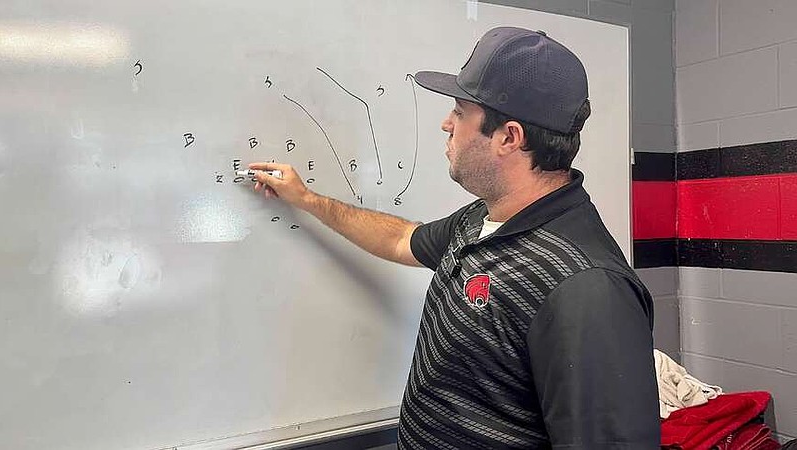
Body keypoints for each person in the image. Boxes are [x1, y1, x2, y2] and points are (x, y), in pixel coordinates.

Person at [249, 27, 659, 449]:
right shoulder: (481, 221)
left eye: (461, 111)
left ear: (509, 137)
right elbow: (400, 239)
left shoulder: (586, 288)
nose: (446, 123)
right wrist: (309, 199)